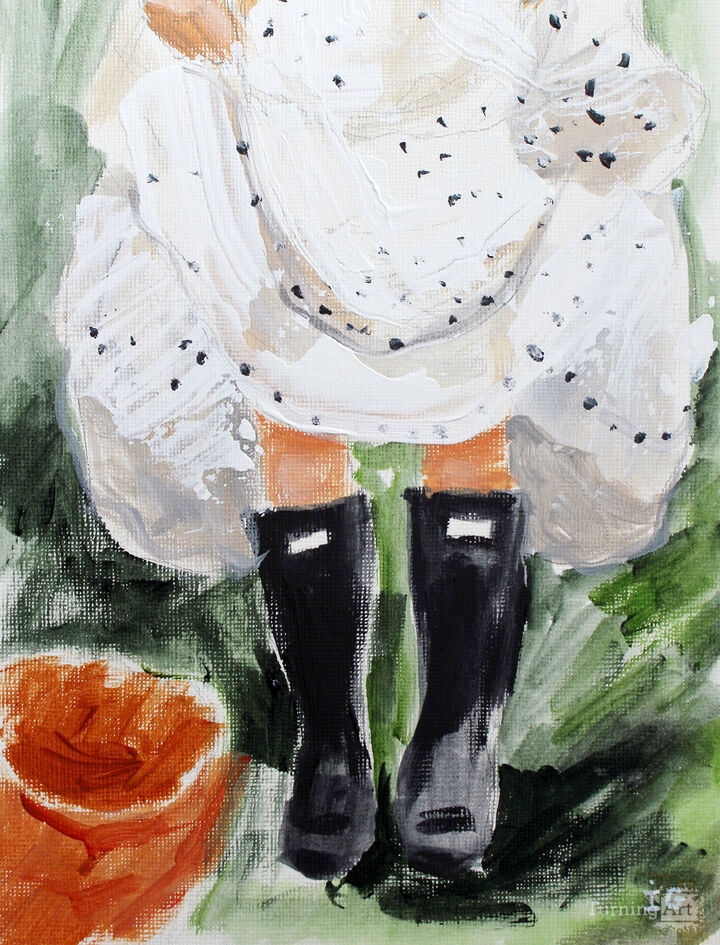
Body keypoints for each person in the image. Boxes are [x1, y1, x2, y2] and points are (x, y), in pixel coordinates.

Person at [56, 0, 714, 879]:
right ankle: (330, 737)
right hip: (292, 78)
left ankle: (457, 732)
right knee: (288, 390)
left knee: (477, 396)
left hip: (470, 80)